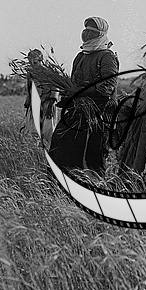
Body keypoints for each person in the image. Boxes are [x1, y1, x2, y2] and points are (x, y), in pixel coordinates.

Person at [49, 17, 119, 173]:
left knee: (93, 156)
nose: (87, 35)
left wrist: (79, 92)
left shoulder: (107, 56)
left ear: (101, 34)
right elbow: (74, 83)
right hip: (77, 111)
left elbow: (108, 86)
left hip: (100, 114)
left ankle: (95, 185)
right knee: (60, 147)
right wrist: (68, 97)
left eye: (92, 32)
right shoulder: (80, 56)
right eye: (85, 31)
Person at [23, 48, 60, 150]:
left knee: (48, 131)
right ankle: (38, 153)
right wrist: (28, 102)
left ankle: (50, 152)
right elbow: (29, 88)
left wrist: (51, 104)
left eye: (35, 62)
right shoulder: (30, 73)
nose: (32, 64)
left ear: (41, 60)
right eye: (30, 62)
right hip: (35, 105)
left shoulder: (49, 72)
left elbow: (55, 89)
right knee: (34, 131)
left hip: (48, 104)